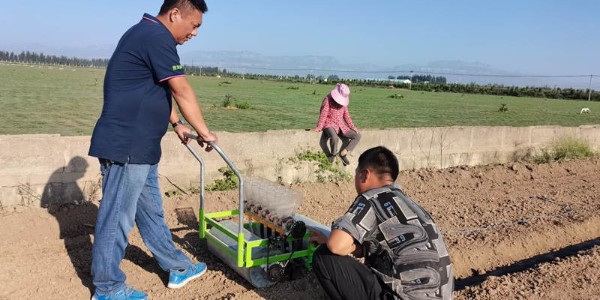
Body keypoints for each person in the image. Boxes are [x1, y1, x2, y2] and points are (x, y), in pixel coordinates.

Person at [87, 1, 217, 299]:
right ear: (175, 14)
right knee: (117, 216)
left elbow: (151, 88)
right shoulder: (156, 36)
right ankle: (107, 288)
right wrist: (204, 132)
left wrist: (177, 123)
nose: (195, 32)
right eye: (194, 25)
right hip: (127, 145)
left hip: (141, 146)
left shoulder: (147, 33)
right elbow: (180, 88)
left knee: (151, 212)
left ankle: (176, 266)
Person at [309, 146, 454, 300]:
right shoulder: (410, 205)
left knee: (324, 257)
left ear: (364, 175)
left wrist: (335, 242)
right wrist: (356, 248)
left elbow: (336, 245)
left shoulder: (372, 198)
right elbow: (381, 249)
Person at [313, 83, 361, 166]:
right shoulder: (327, 99)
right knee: (335, 138)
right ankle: (333, 155)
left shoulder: (343, 104)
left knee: (357, 135)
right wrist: (319, 127)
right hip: (329, 124)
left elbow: (346, 116)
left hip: (340, 125)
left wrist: (353, 127)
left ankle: (343, 153)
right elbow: (323, 114)